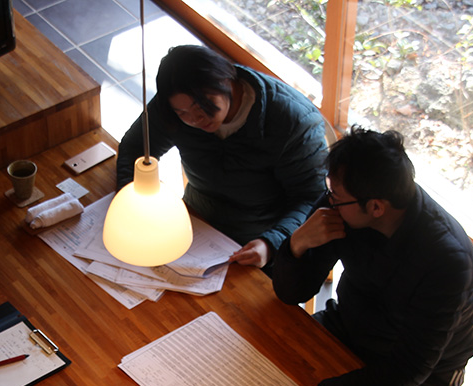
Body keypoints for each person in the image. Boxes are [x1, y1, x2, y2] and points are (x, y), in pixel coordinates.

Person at [266, 127, 473, 386]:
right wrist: (297, 243)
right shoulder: (344, 203)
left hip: (421, 375)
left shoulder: (446, 260)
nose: (328, 200)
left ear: (377, 208)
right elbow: (292, 293)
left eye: (336, 197)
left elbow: (409, 370)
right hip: (349, 329)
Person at [116, 44, 328, 269]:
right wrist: (134, 201)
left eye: (202, 106)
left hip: (260, 238)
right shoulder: (175, 103)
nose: (196, 119)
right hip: (196, 220)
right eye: (183, 113)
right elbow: (136, 146)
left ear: (226, 81)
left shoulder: (292, 120)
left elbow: (310, 197)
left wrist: (270, 243)